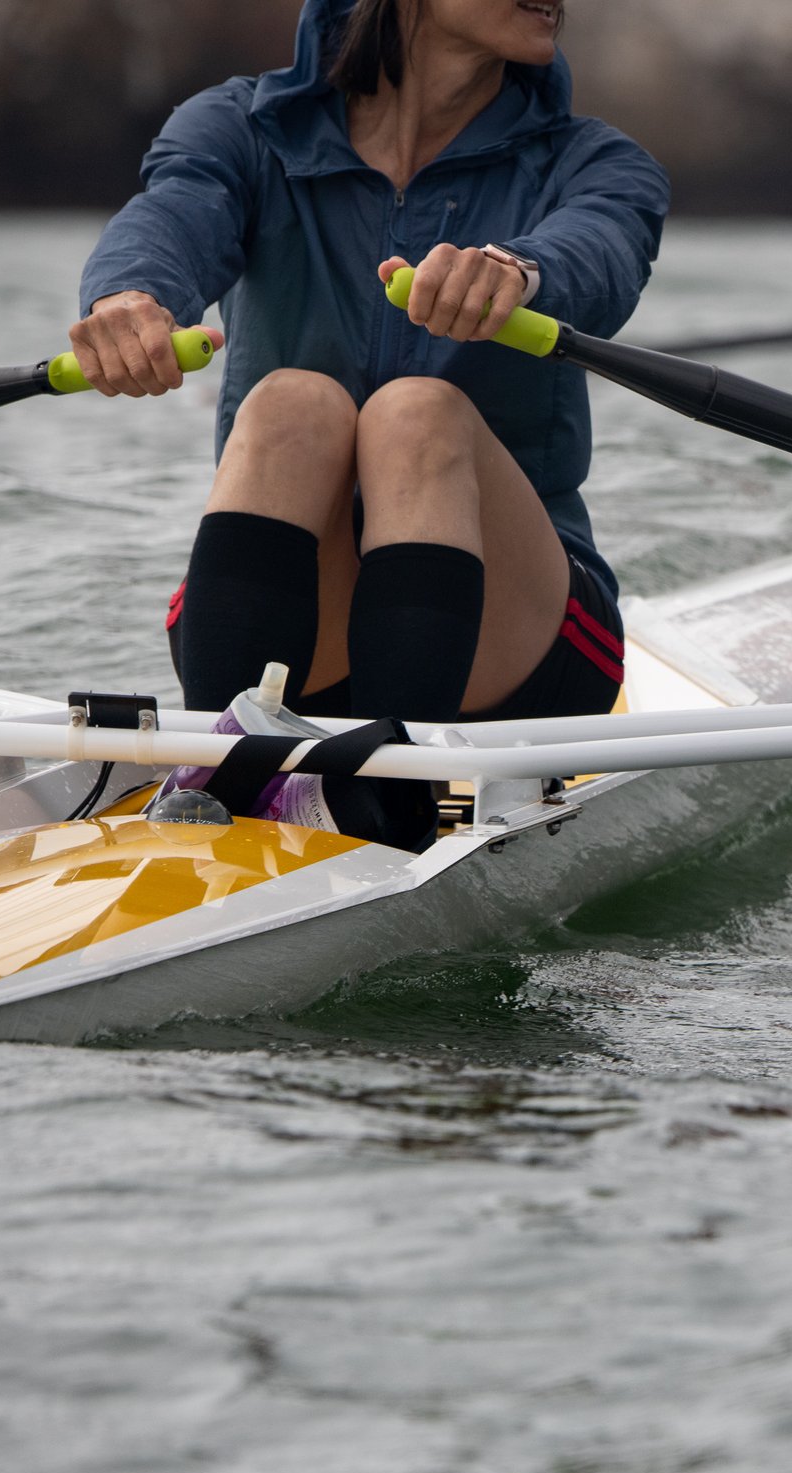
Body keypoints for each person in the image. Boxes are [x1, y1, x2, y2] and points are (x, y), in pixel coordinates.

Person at [69, 0, 666, 847]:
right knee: (293, 401)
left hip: (519, 640)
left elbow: (600, 246)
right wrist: (130, 296)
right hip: (296, 621)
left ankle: (397, 796)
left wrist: (518, 271)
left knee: (414, 412)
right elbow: (174, 213)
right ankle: (213, 772)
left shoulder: (597, 162)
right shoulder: (241, 128)